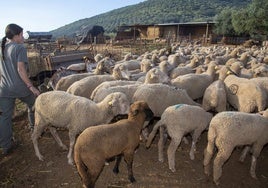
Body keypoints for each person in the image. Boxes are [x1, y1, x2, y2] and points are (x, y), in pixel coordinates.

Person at [0, 23, 40, 155]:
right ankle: (35, 129)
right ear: (16, 36)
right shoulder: (19, 48)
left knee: (5, 117)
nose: (23, 37)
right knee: (34, 104)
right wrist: (31, 86)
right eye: (21, 35)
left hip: (4, 88)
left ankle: (6, 146)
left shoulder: (2, 48)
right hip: (20, 86)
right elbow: (21, 69)